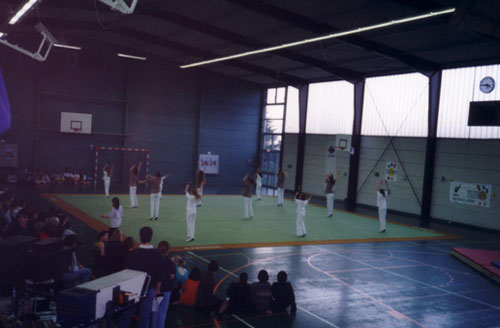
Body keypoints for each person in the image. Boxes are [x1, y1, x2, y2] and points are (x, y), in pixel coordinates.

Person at [119, 227, 163, 328]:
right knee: (145, 317)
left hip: (132, 289)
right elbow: (160, 275)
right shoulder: (157, 254)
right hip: (149, 289)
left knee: (126, 315)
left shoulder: (133, 253)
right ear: (151, 237)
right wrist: (157, 290)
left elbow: (125, 272)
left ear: (140, 237)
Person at [151, 241, 176, 328]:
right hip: (166, 290)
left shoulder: (155, 261)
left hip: (155, 290)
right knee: (162, 313)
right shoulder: (170, 262)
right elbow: (172, 276)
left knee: (155, 312)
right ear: (168, 250)